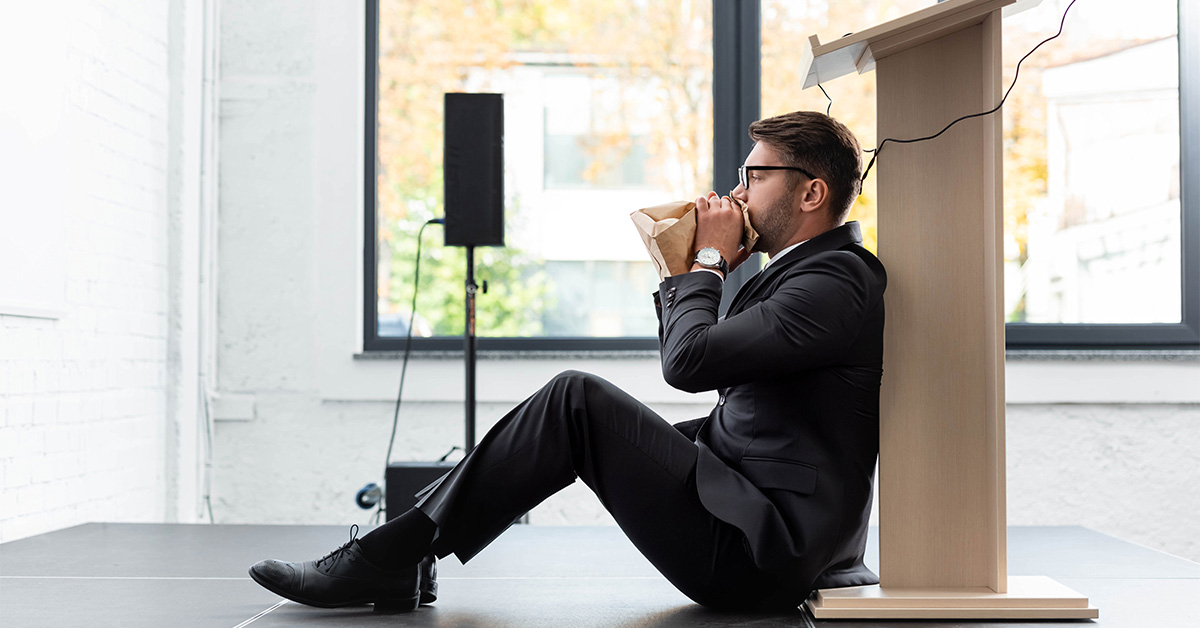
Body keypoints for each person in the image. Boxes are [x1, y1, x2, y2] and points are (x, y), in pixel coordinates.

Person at [248, 110, 887, 613]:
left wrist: (710, 264)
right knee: (574, 410)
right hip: (753, 513)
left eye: (756, 176)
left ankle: (394, 554)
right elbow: (707, 368)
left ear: (811, 193)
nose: (736, 192)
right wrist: (689, 267)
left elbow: (688, 363)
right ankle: (404, 553)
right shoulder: (804, 275)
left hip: (762, 552)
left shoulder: (833, 282)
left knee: (575, 400)